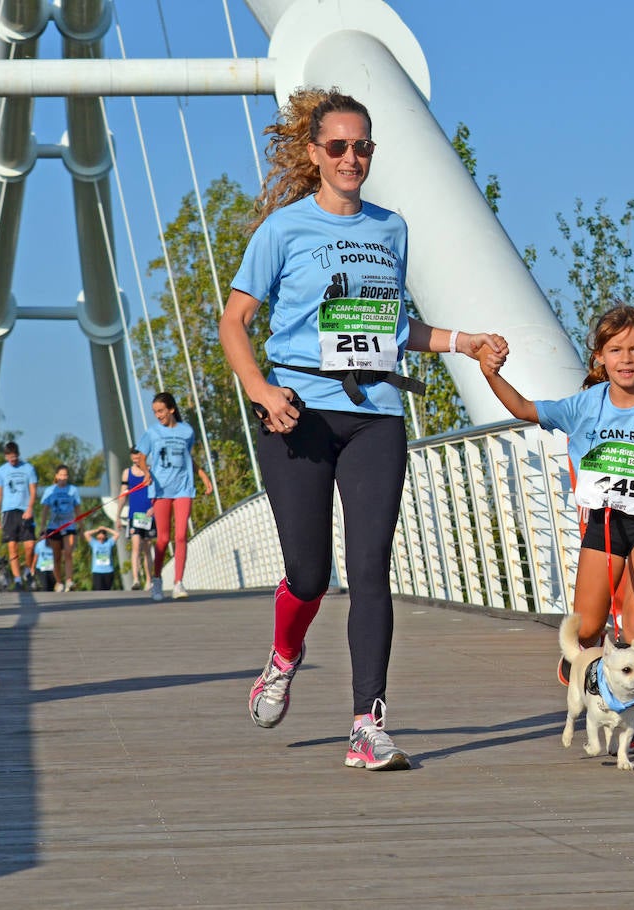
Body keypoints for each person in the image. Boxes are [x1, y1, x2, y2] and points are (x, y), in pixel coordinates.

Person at [219, 88, 507, 771]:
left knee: (372, 569)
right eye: (340, 147)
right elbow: (234, 322)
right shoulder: (283, 231)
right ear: (315, 153)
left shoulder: (391, 229)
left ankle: (367, 723)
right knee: (310, 573)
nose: (353, 158)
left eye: (364, 146)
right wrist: (261, 391)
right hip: (299, 412)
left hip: (376, 413)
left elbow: (392, 326)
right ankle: (284, 656)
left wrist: (464, 342)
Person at [480, 304, 634, 754]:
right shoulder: (587, 405)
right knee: (587, 627)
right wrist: (490, 373)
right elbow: (525, 408)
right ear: (599, 356)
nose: (626, 359)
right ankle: (580, 663)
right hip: (603, 523)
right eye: (616, 349)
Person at [132, 392, 213, 602]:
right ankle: (157, 580)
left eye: (160, 411)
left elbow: (188, 459)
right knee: (163, 538)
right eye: (155, 412)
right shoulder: (152, 433)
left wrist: (203, 476)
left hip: (183, 488)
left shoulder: (187, 432)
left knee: (181, 536)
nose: (158, 415)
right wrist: (147, 472)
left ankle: (178, 583)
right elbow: (141, 458)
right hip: (161, 490)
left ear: (171, 409)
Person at [0, 440, 39, 589]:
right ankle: (17, 579)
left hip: (24, 509)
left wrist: (30, 508)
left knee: (30, 545)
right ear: (6, 456)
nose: (13, 460)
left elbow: (33, 491)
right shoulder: (1, 471)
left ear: (18, 455)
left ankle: (27, 570)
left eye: (15, 457)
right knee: (12, 546)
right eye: (10, 457)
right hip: (8, 511)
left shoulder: (28, 469)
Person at [40, 464, 82, 592]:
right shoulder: (50, 490)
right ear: (57, 476)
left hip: (69, 525)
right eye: (61, 475)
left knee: (68, 553)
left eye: (66, 475)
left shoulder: (73, 490)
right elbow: (45, 510)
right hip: (54, 526)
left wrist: (81, 525)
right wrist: (42, 527)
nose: (63, 477)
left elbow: (77, 508)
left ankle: (69, 581)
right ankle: (59, 582)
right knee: (56, 556)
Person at [118, 446, 155, 590]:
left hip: (148, 514)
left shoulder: (151, 471)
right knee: (136, 546)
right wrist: (118, 515)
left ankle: (149, 579)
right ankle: (135, 579)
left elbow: (157, 491)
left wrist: (154, 508)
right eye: (133, 459)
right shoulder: (127, 473)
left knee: (147, 548)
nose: (136, 461)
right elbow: (122, 495)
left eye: (138, 458)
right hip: (134, 515)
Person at [84, 525, 120, 591]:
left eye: (102, 538)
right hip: (97, 572)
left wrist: (106, 529)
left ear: (105, 536)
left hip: (108, 571)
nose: (101, 539)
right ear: (97, 536)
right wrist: (97, 530)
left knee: (107, 591)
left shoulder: (109, 543)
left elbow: (117, 534)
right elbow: (86, 534)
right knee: (98, 591)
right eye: (99, 538)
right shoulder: (94, 543)